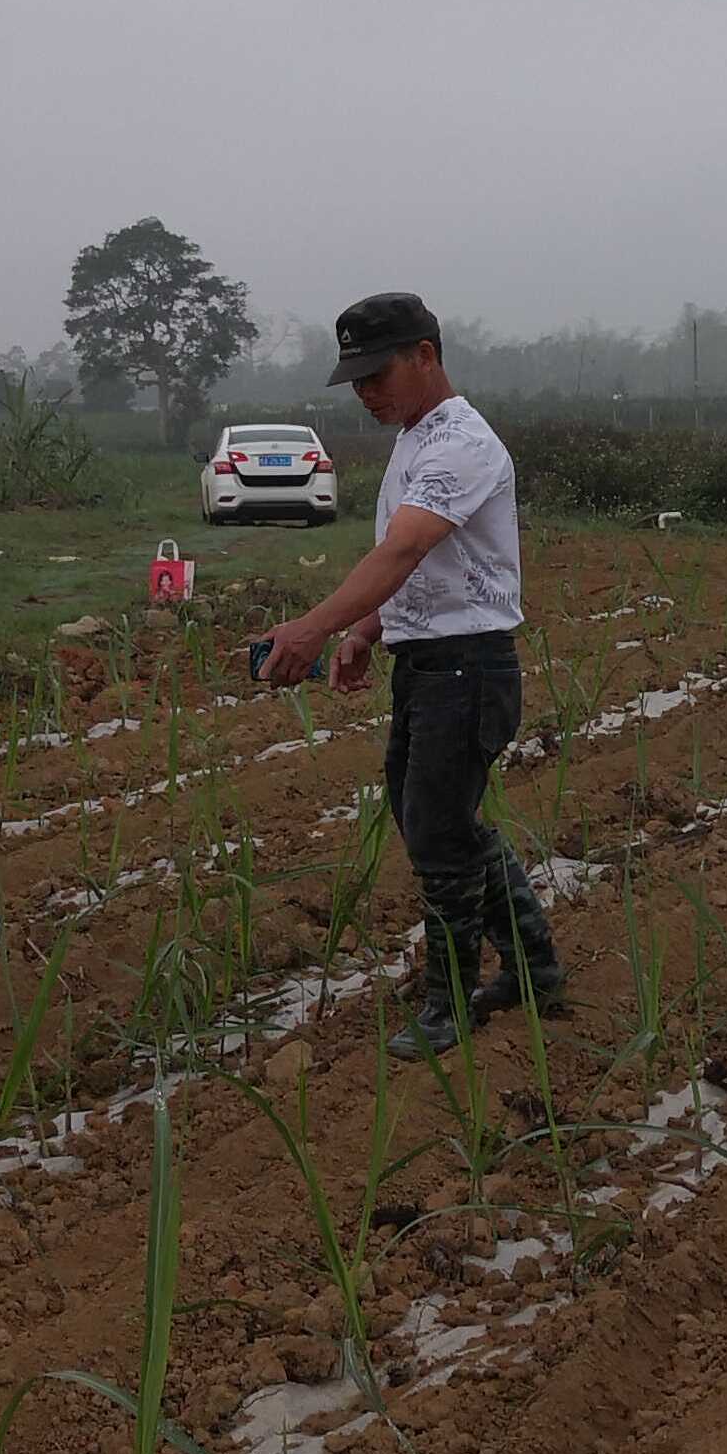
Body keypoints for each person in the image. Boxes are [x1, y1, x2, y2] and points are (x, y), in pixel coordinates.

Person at [253, 291, 562, 1058]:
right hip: (431, 666)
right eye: (354, 377)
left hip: (469, 669)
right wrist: (365, 630)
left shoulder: (462, 442)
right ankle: (532, 966)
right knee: (439, 821)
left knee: (438, 834)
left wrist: (313, 627)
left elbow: (404, 550)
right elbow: (421, 571)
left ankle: (449, 1003)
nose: (365, 391)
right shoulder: (417, 436)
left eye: (376, 372)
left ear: (426, 354)